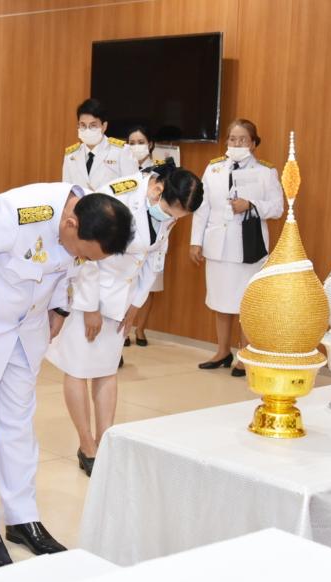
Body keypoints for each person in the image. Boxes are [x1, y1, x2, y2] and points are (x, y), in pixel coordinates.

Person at [0, 183, 133, 569]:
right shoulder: (8, 214)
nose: (83, 259)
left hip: (26, 333)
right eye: (85, 252)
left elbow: (65, 270)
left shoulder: (89, 212)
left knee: (18, 425)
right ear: (70, 224)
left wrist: (60, 309)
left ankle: (22, 518)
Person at [47, 161, 203, 476]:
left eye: (178, 218)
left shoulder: (166, 207)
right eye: (170, 212)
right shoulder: (119, 195)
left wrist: (137, 303)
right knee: (78, 369)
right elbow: (87, 252)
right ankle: (86, 445)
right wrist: (90, 307)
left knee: (106, 369)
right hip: (89, 294)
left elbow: (154, 255)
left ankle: (105, 442)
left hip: (122, 298)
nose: (172, 219)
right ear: (158, 189)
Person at [189, 118, 283, 376]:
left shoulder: (266, 171)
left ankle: (245, 355)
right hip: (217, 245)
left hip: (248, 248)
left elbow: (277, 207)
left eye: (243, 140)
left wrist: (251, 204)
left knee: (245, 304)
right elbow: (202, 207)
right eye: (232, 139)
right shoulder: (214, 168)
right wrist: (195, 241)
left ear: (253, 143)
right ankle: (222, 351)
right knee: (220, 301)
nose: (237, 143)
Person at [123, 124, 160, 348]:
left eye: (141, 142)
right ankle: (124, 330)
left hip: (153, 233)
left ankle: (141, 328)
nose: (136, 146)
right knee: (127, 281)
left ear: (150, 144)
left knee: (148, 283)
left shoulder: (161, 170)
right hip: (126, 233)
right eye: (132, 143)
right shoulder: (124, 168)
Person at [62, 98, 138, 191]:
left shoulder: (121, 151)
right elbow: (66, 190)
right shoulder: (71, 155)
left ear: (104, 126)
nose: (87, 130)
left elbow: (133, 189)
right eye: (83, 125)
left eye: (93, 125)